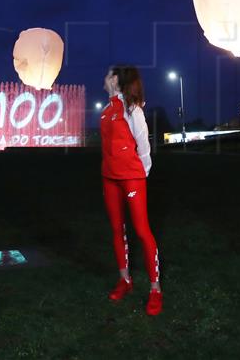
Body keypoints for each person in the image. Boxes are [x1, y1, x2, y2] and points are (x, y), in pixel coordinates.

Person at [99, 65, 162, 316]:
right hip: (109, 178)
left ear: (115, 79)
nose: (103, 79)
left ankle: (155, 289)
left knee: (142, 230)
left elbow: (143, 142)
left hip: (132, 178)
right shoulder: (105, 111)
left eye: (107, 75)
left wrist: (141, 172)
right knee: (117, 229)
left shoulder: (131, 108)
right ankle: (125, 280)